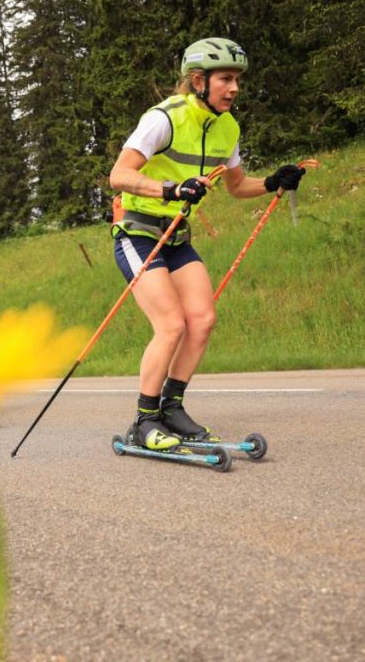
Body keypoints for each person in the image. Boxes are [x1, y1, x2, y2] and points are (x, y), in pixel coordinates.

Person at [108, 37, 308, 451]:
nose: (234, 88)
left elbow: (236, 186)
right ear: (199, 81)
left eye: (237, 80)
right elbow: (119, 175)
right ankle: (144, 421)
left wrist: (272, 181)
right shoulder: (165, 118)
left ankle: (172, 408)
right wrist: (170, 188)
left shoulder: (227, 126)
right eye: (226, 79)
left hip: (177, 237)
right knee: (171, 324)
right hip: (138, 233)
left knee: (202, 319)